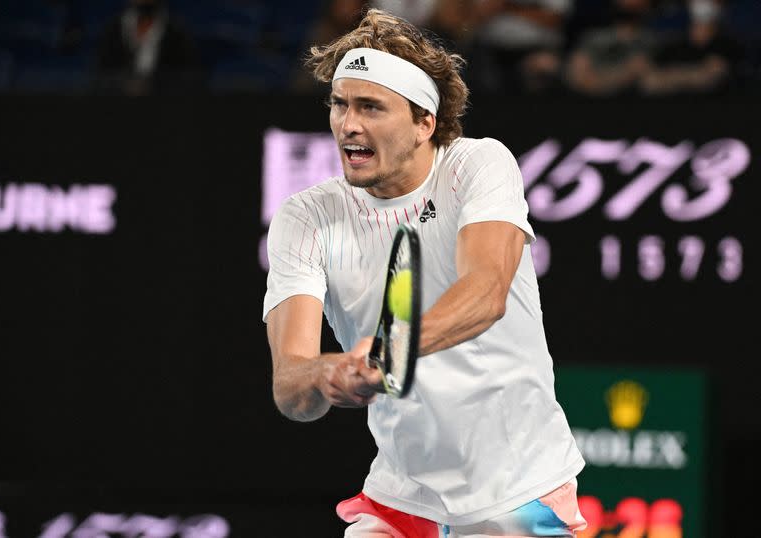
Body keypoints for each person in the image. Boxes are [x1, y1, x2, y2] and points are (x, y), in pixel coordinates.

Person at [263, 8, 586, 537]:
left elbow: (485, 293)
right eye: (339, 105)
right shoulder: (307, 218)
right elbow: (290, 387)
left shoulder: (477, 166)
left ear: (424, 124)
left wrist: (394, 347)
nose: (349, 124)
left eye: (371, 107)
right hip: (401, 494)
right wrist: (326, 374)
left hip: (519, 486)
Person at [93, 0, 203, 95]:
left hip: (163, 102)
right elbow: (101, 72)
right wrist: (124, 83)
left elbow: (188, 75)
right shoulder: (114, 29)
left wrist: (153, 84)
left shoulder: (176, 30)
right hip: (117, 101)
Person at [565, 0, 656, 96]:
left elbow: (654, 83)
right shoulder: (593, 39)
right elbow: (581, 80)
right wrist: (625, 74)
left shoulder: (652, 41)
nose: (632, 3)